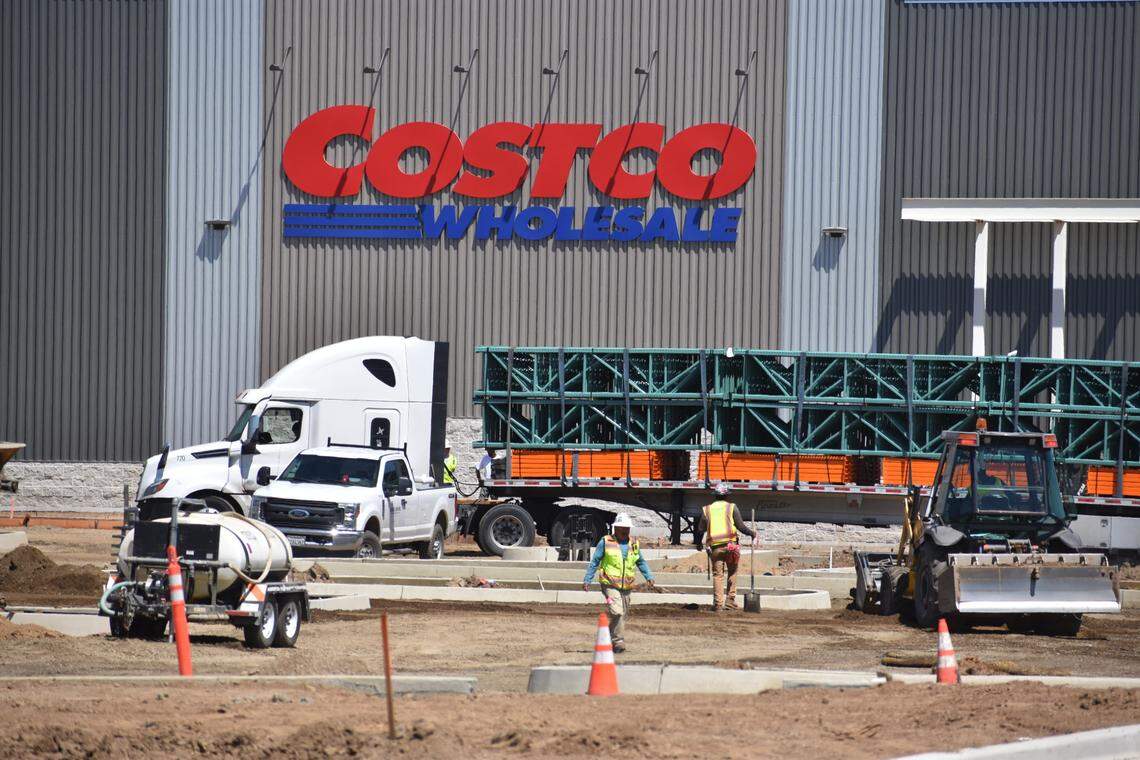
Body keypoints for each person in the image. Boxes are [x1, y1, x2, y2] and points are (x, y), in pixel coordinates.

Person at [582, 512, 654, 653]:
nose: (625, 530)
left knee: (623, 615)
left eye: (627, 528)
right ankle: (618, 641)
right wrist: (587, 579)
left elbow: (640, 561)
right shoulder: (606, 542)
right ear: (615, 528)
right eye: (622, 527)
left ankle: (608, 638)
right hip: (609, 586)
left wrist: (648, 576)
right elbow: (595, 561)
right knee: (617, 612)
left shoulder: (634, 544)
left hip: (627, 586)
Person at [695, 483, 759, 611]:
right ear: (727, 495)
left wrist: (699, 543)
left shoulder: (707, 509)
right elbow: (741, 527)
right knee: (732, 572)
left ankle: (718, 604)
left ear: (715, 495)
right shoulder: (731, 507)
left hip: (715, 548)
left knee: (718, 575)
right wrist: (752, 534)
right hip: (731, 547)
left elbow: (700, 529)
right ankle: (730, 601)